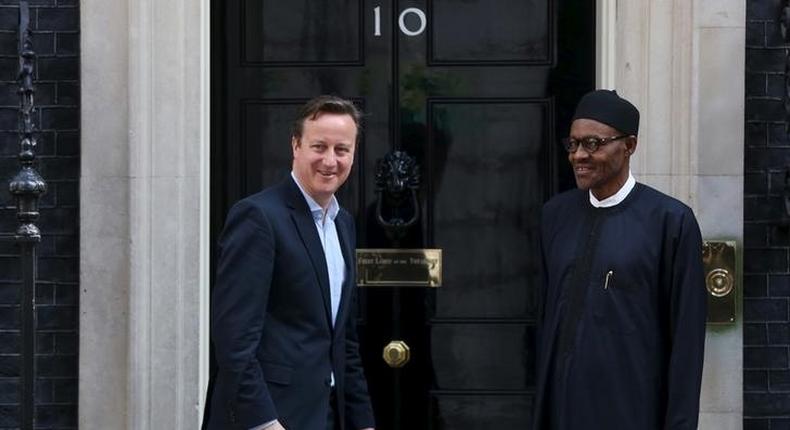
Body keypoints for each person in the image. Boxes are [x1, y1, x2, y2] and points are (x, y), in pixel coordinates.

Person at [533, 90, 707, 429]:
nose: (579, 155)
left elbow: (686, 345)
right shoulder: (555, 215)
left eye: (593, 143)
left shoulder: (670, 222)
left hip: (633, 410)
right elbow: (546, 320)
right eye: (573, 144)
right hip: (563, 409)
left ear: (629, 145)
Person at [207, 95, 375, 430]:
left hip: (325, 414)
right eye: (319, 147)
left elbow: (343, 339)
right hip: (269, 417)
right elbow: (234, 338)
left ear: (353, 155)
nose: (330, 160)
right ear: (296, 146)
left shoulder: (343, 225)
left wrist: (363, 420)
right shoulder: (258, 217)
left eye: (341, 149)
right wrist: (266, 423)